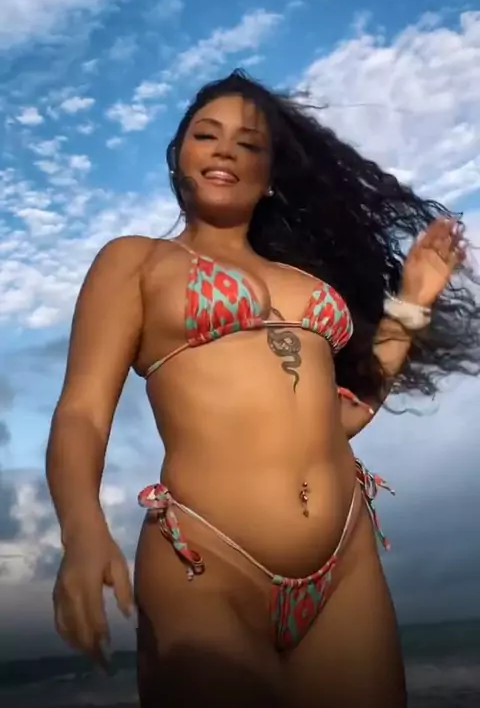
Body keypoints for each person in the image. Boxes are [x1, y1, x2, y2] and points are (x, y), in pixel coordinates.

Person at [46, 70, 479, 708]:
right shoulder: (136, 261)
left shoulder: (304, 278)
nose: (225, 149)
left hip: (346, 562)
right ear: (179, 155)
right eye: (207, 135)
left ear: (270, 176)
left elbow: (344, 417)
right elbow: (83, 412)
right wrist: (81, 530)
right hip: (206, 562)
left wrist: (413, 299)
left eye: (249, 144)